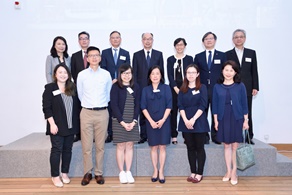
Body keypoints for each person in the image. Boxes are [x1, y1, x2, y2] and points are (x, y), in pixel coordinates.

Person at [77, 46, 112, 186]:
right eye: (91, 55)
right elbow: (80, 94)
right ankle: (87, 173)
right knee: (86, 145)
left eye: (96, 55)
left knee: (100, 146)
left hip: (102, 113)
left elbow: (109, 93)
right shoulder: (82, 75)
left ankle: (98, 173)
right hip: (86, 112)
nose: (94, 57)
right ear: (87, 57)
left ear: (100, 57)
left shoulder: (106, 74)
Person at [42, 63, 80, 187]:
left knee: (68, 150)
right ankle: (55, 176)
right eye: (60, 72)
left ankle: (64, 173)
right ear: (55, 74)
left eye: (65, 72)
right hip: (57, 126)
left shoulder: (72, 87)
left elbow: (76, 106)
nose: (63, 75)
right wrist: (52, 124)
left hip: (70, 125)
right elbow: (47, 108)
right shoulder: (50, 88)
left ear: (68, 75)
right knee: (56, 150)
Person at [212, 60, 249, 185]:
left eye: (231, 70)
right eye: (226, 70)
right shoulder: (217, 86)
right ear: (222, 71)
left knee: (235, 146)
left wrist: (246, 120)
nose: (228, 73)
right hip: (223, 118)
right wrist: (216, 121)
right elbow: (215, 106)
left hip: (237, 117)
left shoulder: (240, 86)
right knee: (226, 145)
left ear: (235, 72)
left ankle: (234, 172)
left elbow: (245, 104)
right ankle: (228, 171)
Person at [225, 29, 259, 145]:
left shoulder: (251, 53)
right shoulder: (228, 54)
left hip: (248, 87)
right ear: (233, 39)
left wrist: (255, 86)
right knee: (233, 112)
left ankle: (249, 136)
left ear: (244, 38)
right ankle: (234, 135)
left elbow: (254, 71)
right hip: (232, 87)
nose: (238, 39)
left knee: (247, 111)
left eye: (241, 37)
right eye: (236, 37)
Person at [177, 64, 210, 183]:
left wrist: (193, 119)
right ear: (185, 75)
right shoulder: (182, 89)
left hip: (199, 121)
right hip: (185, 122)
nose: (190, 75)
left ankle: (200, 173)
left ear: (197, 74)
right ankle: (193, 172)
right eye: (188, 72)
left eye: (193, 72)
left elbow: (203, 105)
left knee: (199, 148)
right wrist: (186, 120)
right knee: (190, 148)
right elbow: (180, 106)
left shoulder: (202, 87)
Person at [140, 65, 172, 184]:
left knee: (162, 147)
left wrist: (163, 120)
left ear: (161, 75)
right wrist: (151, 121)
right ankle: (155, 170)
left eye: (157, 73)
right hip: (151, 122)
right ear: (149, 76)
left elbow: (169, 105)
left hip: (164, 121)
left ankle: (162, 171)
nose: (155, 76)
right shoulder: (145, 90)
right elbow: (143, 106)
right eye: (153, 73)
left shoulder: (166, 88)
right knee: (153, 147)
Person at [194, 32, 227, 145]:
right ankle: (204, 136)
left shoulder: (222, 56)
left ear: (215, 41)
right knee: (202, 112)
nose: (209, 40)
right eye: (206, 39)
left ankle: (216, 135)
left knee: (216, 112)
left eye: (211, 38)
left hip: (217, 88)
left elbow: (225, 72)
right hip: (202, 89)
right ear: (203, 42)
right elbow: (195, 73)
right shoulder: (198, 56)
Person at [110, 64, 140, 184]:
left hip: (132, 121)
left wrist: (134, 121)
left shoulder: (136, 87)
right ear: (120, 74)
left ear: (132, 74)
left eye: (128, 73)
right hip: (119, 121)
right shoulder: (116, 87)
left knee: (130, 145)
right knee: (121, 146)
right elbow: (114, 105)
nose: (126, 76)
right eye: (124, 73)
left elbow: (138, 105)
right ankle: (121, 172)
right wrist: (122, 122)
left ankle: (128, 171)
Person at [133, 32, 164, 144]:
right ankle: (143, 135)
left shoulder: (159, 54)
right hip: (141, 89)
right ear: (142, 41)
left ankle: (154, 134)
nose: (147, 41)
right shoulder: (136, 55)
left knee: (155, 111)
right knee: (143, 111)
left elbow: (162, 73)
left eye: (149, 39)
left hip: (155, 88)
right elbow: (135, 74)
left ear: (152, 40)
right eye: (145, 39)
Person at [101, 31, 131, 143]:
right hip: (108, 85)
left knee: (120, 108)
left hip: (121, 85)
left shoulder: (125, 53)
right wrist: (110, 80)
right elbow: (103, 68)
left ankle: (122, 131)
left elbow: (127, 68)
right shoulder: (104, 52)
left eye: (117, 37)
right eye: (113, 38)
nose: (115, 39)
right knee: (110, 109)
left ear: (120, 39)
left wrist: (118, 80)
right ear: (110, 40)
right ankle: (110, 133)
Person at [167, 38, 193, 145]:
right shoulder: (170, 59)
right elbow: (169, 75)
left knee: (186, 113)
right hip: (173, 89)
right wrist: (175, 88)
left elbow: (191, 74)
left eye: (181, 45)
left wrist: (183, 88)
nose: (179, 47)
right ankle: (173, 135)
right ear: (174, 47)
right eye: (177, 45)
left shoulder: (189, 58)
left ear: (185, 46)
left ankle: (186, 136)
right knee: (173, 113)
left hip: (186, 88)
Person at [71, 31, 91, 142]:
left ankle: (92, 134)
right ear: (79, 41)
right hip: (79, 88)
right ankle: (78, 133)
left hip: (92, 89)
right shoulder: (74, 56)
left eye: (86, 38)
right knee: (79, 110)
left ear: (89, 40)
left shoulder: (94, 54)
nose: (84, 40)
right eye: (81, 38)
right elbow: (73, 72)